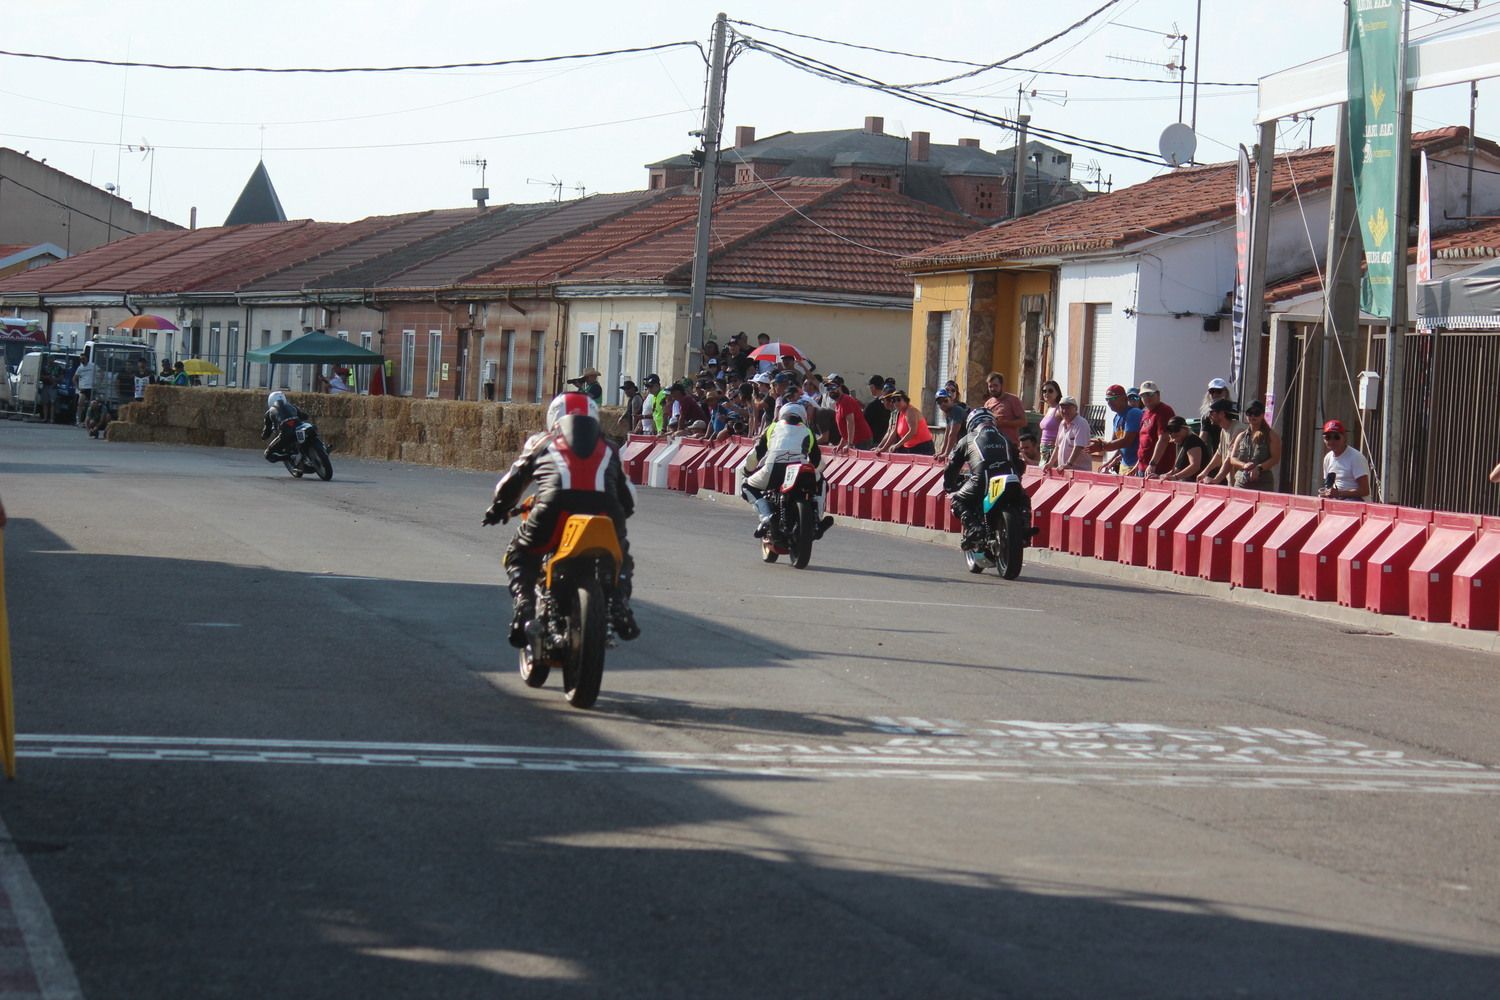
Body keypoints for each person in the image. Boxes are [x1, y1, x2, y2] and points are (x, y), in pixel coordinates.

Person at [483, 392, 637, 647]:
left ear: (553, 417)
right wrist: (621, 517)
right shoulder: (609, 447)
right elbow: (629, 499)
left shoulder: (541, 441)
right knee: (621, 557)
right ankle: (619, 604)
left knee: (519, 553)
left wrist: (498, 509)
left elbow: (511, 483)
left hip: (554, 508)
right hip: (605, 512)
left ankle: (524, 607)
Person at [739, 401, 832, 540]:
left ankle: (766, 517)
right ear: (803, 417)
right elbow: (817, 461)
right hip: (800, 469)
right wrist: (815, 472)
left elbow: (756, 454)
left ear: (781, 414)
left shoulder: (772, 428)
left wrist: (747, 470)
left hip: (773, 469)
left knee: (746, 485)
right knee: (822, 483)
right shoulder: (808, 431)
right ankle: (817, 519)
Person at [944, 408, 1025, 551]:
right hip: (1009, 478)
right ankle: (1024, 527)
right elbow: (1020, 464)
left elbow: (952, 464)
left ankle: (975, 528)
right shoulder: (1005, 437)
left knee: (957, 500)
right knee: (1023, 498)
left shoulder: (967, 439)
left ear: (971, 424)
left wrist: (949, 485)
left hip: (982, 480)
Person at [1228, 399, 1281, 491]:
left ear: (1262, 415)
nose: (1253, 416)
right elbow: (1232, 459)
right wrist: (1244, 465)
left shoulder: (1271, 435)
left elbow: (1275, 459)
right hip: (1241, 483)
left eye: (1256, 413)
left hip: (1263, 484)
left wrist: (1259, 468)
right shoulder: (1241, 436)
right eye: (1249, 413)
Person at [1090, 384, 1141, 475]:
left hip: (1136, 465)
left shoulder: (1133, 413)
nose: (1109, 402)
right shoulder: (1116, 417)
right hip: (1125, 465)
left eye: (1113, 398)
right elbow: (1117, 444)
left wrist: (1102, 446)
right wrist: (1110, 462)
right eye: (1107, 399)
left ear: (1124, 398)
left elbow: (1126, 441)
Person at [1318, 420, 1370, 500]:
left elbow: (1365, 491)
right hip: (1338, 501)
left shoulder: (1355, 457)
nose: (1332, 441)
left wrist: (1338, 493)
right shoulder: (1327, 458)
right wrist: (1327, 493)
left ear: (1344, 437)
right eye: (1328, 437)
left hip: (1356, 503)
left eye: (1336, 437)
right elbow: (1329, 487)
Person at [1134, 380, 1177, 477]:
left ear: (1158, 394)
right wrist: (1138, 464)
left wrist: (1153, 463)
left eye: (1150, 394)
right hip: (1143, 467)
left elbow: (1164, 438)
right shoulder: (1145, 413)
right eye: (1143, 395)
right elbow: (1144, 442)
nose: (1146, 398)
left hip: (1158, 468)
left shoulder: (1164, 410)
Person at [873, 390, 935, 455]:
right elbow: (893, 433)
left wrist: (897, 445)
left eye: (898, 400)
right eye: (894, 401)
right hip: (909, 448)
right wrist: (882, 448)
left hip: (923, 447)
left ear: (905, 400)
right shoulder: (899, 413)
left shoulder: (911, 411)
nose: (896, 403)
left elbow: (912, 431)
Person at [1197, 399, 1242, 485]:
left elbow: (1230, 458)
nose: (1209, 416)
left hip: (1241, 482)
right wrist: (1205, 472)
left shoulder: (1238, 429)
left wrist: (1216, 480)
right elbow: (1219, 453)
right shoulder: (1223, 430)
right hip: (1232, 481)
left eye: (1211, 412)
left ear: (1222, 413)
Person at [1047, 395, 1093, 471]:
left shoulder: (1081, 423)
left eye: (1068, 408)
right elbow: (1057, 447)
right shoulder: (1062, 423)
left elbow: (1079, 446)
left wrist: (1069, 464)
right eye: (1062, 408)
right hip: (1064, 470)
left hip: (1079, 471)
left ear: (1075, 409)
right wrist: (1050, 463)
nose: (1064, 411)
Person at [981, 372, 1026, 448]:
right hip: (992, 445)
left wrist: (1002, 423)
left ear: (1002, 385)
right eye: (990, 386)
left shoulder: (1013, 400)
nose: (992, 389)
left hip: (1010, 444)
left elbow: (1023, 422)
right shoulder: (988, 403)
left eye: (995, 385)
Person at [828, 378, 873, 451]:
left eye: (833, 387)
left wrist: (849, 444)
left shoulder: (845, 400)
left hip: (861, 440)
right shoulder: (838, 403)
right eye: (828, 389)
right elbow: (844, 428)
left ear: (840, 387)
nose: (831, 391)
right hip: (855, 441)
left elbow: (850, 423)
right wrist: (841, 445)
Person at [260, 390, 306, 462]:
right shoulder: (292, 406)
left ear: (270, 401)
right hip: (299, 426)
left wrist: (263, 437)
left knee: (267, 454)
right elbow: (305, 416)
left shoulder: (269, 412)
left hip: (285, 431)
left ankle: (290, 457)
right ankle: (322, 447)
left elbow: (267, 431)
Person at [1159, 416, 1207, 481]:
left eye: (1175, 429)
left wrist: (1175, 477)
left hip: (1198, 483)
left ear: (1185, 428)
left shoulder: (1192, 441)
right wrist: (1161, 476)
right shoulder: (1180, 442)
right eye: (1169, 430)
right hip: (1187, 482)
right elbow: (1177, 468)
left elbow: (1195, 466)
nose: (1172, 433)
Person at [934, 389, 970, 456]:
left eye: (945, 400)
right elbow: (947, 433)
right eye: (939, 402)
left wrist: (946, 453)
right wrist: (942, 451)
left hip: (969, 445)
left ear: (951, 400)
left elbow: (952, 434)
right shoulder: (948, 412)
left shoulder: (956, 410)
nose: (943, 404)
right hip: (963, 444)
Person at [1035, 380, 1063, 466]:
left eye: (1050, 391)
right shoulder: (1049, 409)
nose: (1046, 393)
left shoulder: (1059, 409)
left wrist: (1057, 443)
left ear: (1057, 393)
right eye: (1044, 391)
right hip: (1043, 449)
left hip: (1052, 449)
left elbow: (1067, 428)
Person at [864, 375, 891, 444]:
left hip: (875, 441)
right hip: (889, 440)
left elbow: (864, 423)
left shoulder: (872, 406)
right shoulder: (892, 403)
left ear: (872, 387)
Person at [75, 351, 96, 426]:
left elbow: (101, 372)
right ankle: (78, 420)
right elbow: (74, 378)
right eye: (81, 359)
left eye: (83, 359)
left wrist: (98, 383)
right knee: (80, 403)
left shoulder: (92, 365)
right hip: (83, 388)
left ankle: (87, 420)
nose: (82, 360)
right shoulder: (80, 368)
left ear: (87, 359)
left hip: (91, 387)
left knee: (91, 405)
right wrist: (78, 388)